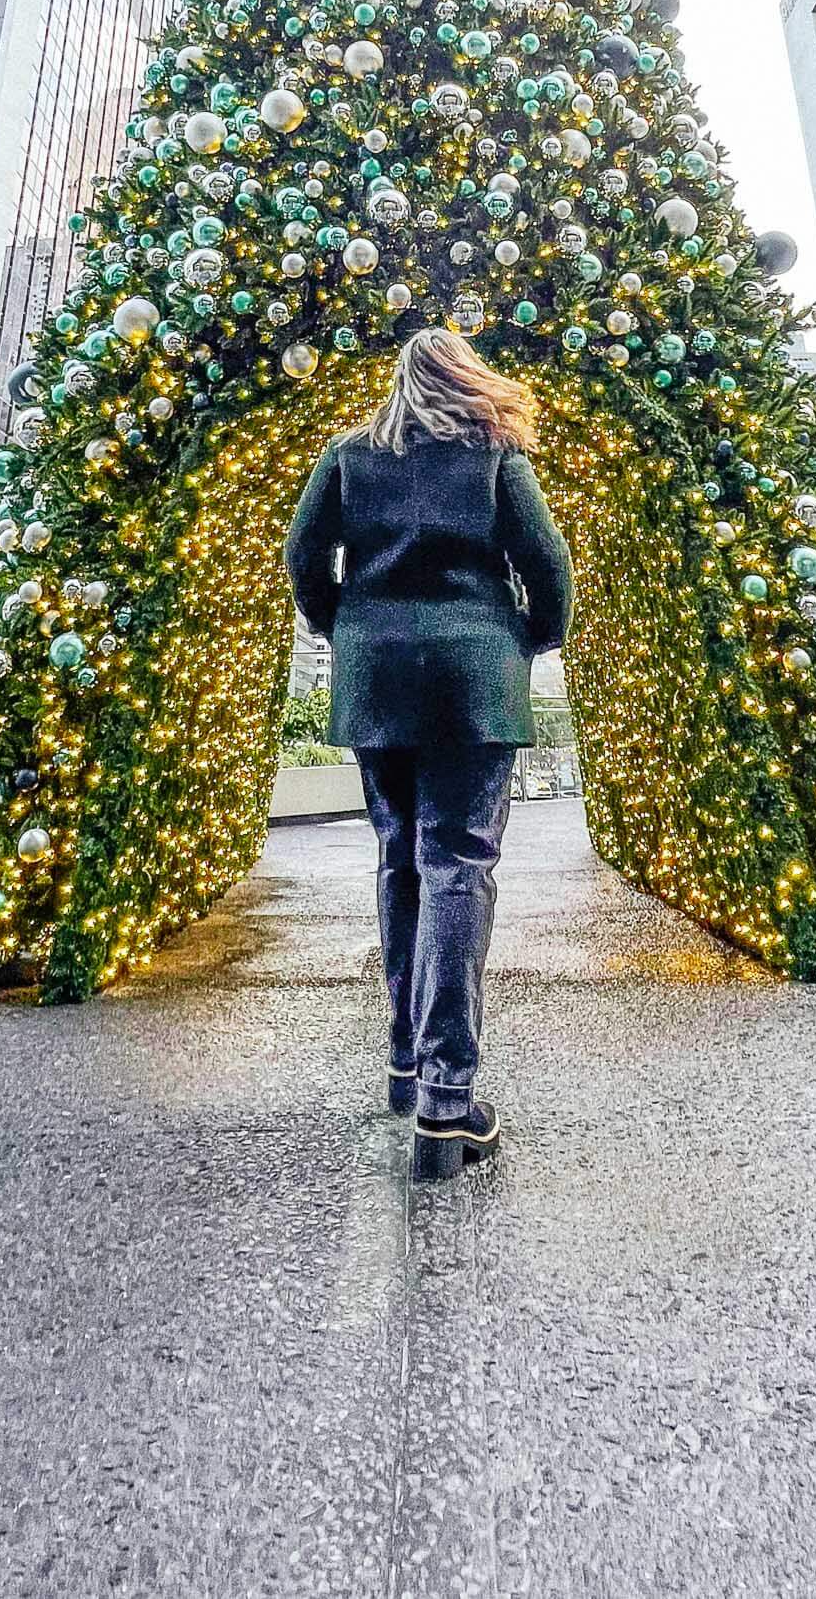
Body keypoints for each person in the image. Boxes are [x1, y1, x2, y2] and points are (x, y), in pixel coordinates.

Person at [285, 326, 573, 1180]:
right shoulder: (495, 455)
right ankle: (450, 1098)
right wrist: (531, 637)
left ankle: (409, 1063)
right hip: (473, 679)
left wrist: (346, 625)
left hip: (377, 682)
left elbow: (305, 556)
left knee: (400, 860)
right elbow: (546, 563)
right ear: (465, 377)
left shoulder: (349, 453)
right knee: (458, 863)